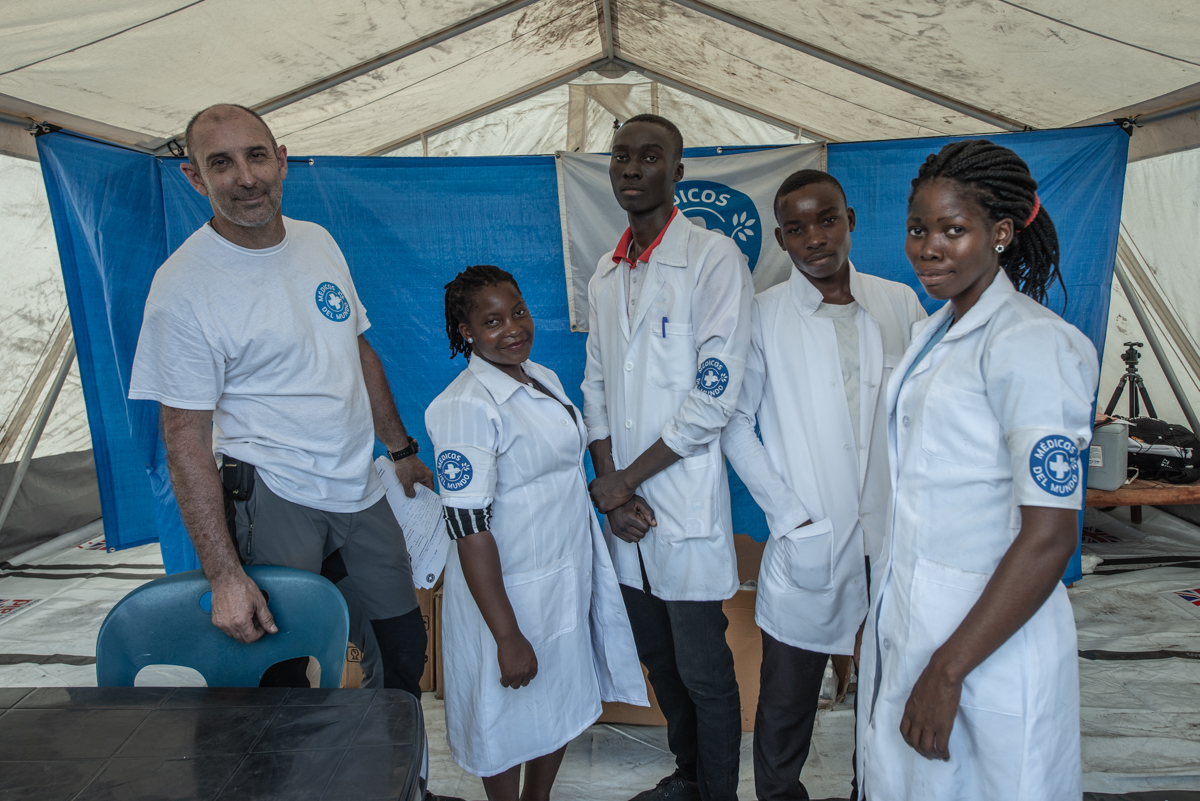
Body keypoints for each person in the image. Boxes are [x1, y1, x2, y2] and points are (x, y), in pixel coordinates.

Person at [128, 104, 435, 695]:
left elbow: (358, 350)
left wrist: (400, 449)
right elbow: (183, 435)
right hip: (273, 495)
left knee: (402, 649)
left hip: (359, 487)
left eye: (256, 155)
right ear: (195, 178)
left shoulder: (317, 241)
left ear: (282, 161)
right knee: (280, 673)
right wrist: (223, 576)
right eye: (221, 163)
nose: (245, 177)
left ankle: (398, 789)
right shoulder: (183, 286)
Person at [856, 140, 1097, 800]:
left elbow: (1050, 535)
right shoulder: (933, 332)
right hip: (919, 625)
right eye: (917, 228)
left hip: (987, 648)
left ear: (1000, 232)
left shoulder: (1030, 344)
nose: (929, 247)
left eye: (953, 229)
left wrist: (949, 669)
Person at [721, 170, 926, 801]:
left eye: (827, 219)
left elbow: (924, 414)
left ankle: (876, 791)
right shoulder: (762, 316)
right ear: (780, 240)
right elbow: (732, 422)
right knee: (787, 699)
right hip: (809, 534)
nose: (815, 237)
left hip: (891, 533)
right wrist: (789, 516)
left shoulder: (900, 304)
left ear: (852, 220)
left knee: (887, 689)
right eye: (797, 228)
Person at [425, 265, 646, 800]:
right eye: (493, 321)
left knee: (560, 700)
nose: (513, 328)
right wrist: (506, 636)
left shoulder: (540, 375)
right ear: (466, 333)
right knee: (503, 717)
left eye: (518, 312)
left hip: (560, 579)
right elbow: (468, 528)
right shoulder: (464, 408)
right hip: (506, 594)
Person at [583, 114, 753, 801]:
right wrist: (609, 486)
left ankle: (719, 792)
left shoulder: (713, 259)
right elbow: (595, 384)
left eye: (649, 157)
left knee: (704, 664)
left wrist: (626, 480)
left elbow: (713, 397)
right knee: (659, 656)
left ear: (676, 172)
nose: (631, 168)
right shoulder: (605, 270)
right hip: (627, 508)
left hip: (680, 503)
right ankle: (688, 775)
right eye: (621, 156)